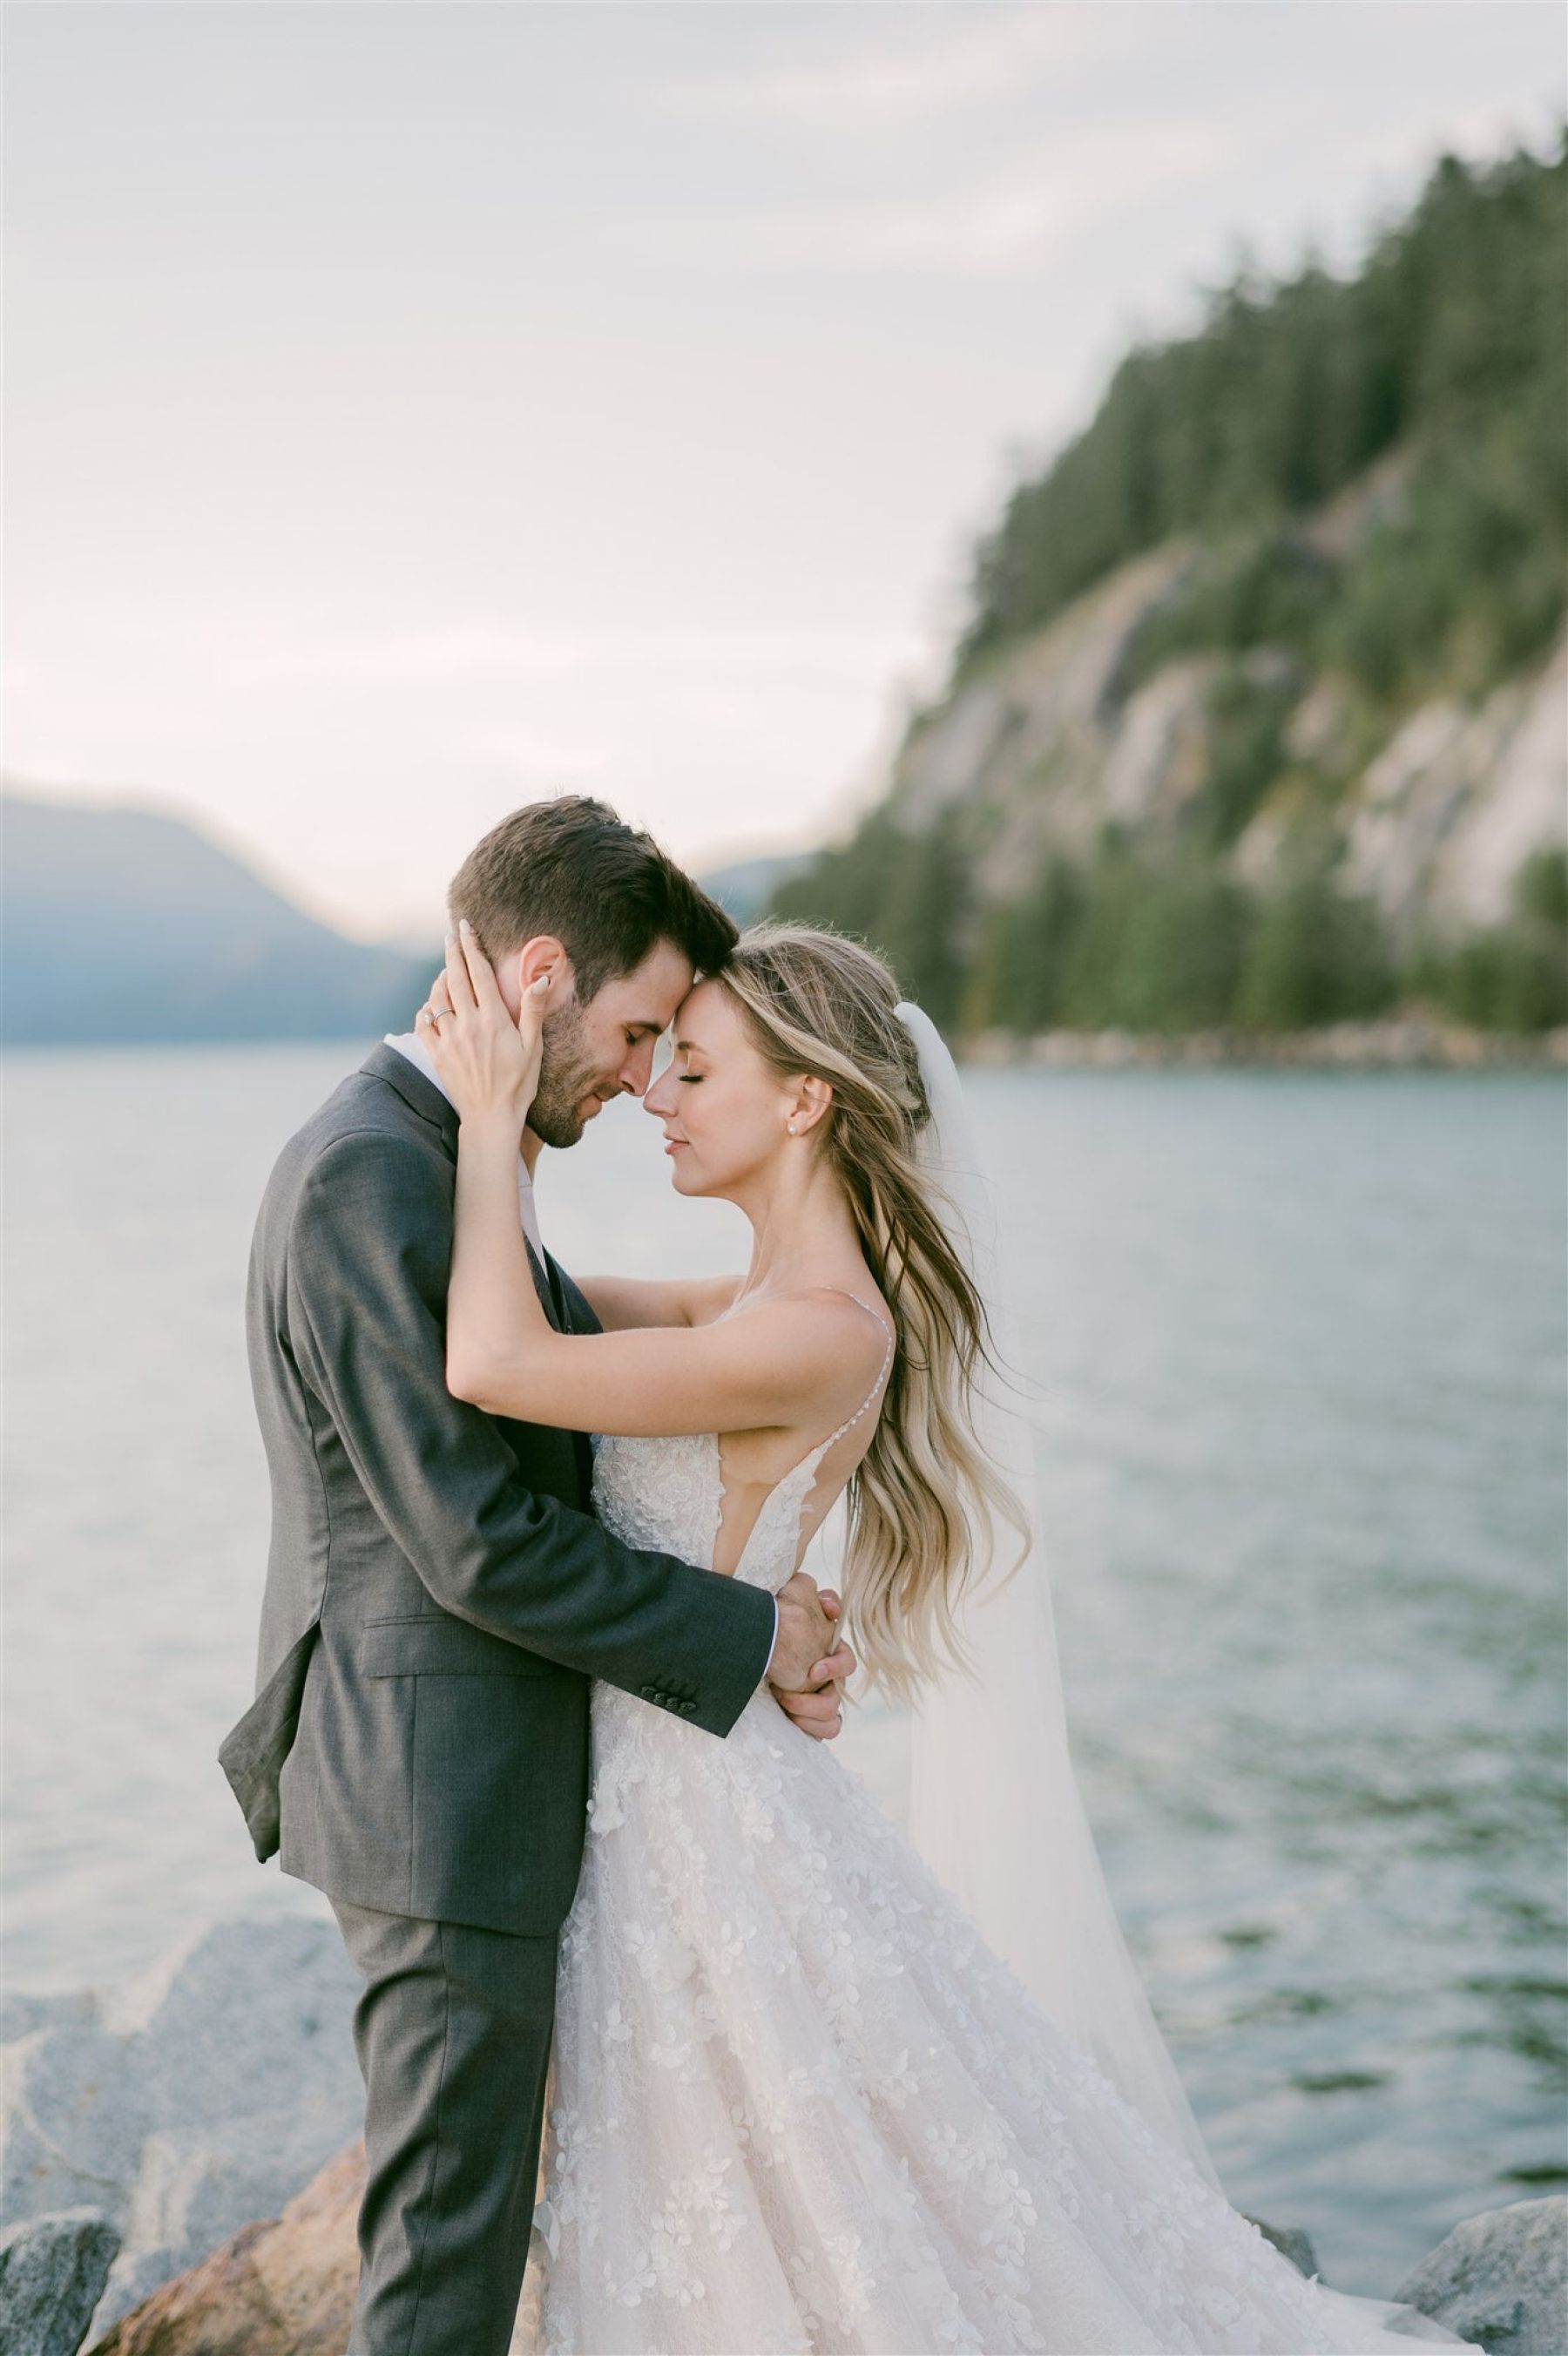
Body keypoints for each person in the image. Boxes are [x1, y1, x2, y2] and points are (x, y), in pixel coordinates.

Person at [416, 911, 1489, 2356]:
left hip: (701, 1817)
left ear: (806, 1100)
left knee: (794, 2212)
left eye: (693, 1070)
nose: (657, 1099)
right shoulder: (738, 1300)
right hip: (670, 1796)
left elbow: (493, 1361)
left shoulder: (825, 1328)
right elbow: (512, 1302)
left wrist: (495, 1122)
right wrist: (492, 1111)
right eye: (655, 1066)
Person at [217, 797, 856, 2356]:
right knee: (446, 2268)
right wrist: (747, 1628)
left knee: (482, 2235)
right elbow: (472, 1540)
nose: (639, 1076)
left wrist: (815, 1290)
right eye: (639, 1032)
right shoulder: (377, 1175)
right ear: (547, 972)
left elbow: (573, 1344)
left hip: (468, 1785)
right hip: (441, 1802)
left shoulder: (437, 1155)